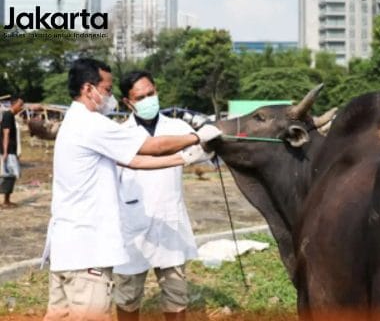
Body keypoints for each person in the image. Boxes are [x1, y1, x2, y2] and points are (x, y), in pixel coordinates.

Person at [41, 58, 221, 321]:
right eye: (107, 89)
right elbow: (153, 148)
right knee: (117, 302)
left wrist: (184, 158)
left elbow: (134, 160)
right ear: (89, 89)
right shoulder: (93, 125)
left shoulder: (75, 123)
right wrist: (197, 136)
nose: (109, 96)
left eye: (152, 93)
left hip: (71, 249)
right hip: (88, 251)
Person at [113, 71, 208, 321]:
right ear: (127, 102)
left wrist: (209, 135)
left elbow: (206, 152)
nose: (148, 100)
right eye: (140, 97)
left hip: (169, 223)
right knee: (127, 295)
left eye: (151, 94)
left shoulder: (178, 128)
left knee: (176, 294)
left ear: (156, 90)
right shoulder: (120, 134)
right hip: (132, 228)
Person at [0, 94, 24, 208]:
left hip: (11, 150)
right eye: (20, 105)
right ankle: (5, 201)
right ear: (13, 104)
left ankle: (7, 200)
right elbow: (6, 133)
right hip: (8, 150)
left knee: (10, 175)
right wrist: (5, 152)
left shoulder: (10, 116)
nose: (21, 107)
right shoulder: (7, 115)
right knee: (9, 175)